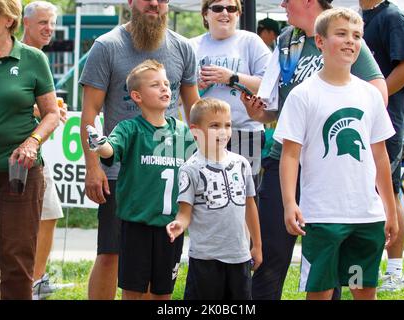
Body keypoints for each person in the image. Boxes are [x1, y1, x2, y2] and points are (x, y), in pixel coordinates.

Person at [241, 0, 388, 300]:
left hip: (328, 164)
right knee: (270, 250)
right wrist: (260, 113)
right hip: (286, 155)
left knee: (330, 262)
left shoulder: (344, 34)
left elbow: (377, 94)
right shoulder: (286, 40)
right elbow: (278, 109)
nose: (282, 3)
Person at [79, 0, 199, 300]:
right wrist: (92, 167)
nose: (155, 4)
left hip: (167, 173)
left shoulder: (183, 47)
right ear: (131, 2)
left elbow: (194, 110)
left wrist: (205, 159)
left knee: (157, 262)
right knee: (110, 252)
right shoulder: (106, 46)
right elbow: (90, 113)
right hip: (121, 172)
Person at [0, 0, 59, 299]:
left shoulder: (32, 58)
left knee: (17, 261)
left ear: (8, 18)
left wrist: (32, 141)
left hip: (20, 173)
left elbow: (51, 113)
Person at [166, 98, 262, 300]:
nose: (223, 131)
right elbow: (185, 213)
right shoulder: (190, 169)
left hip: (239, 257)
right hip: (205, 259)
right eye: (214, 126)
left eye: (227, 125)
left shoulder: (242, 164)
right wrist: (179, 224)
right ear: (195, 130)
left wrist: (257, 245)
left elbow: (250, 206)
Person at [359, 0, 404, 292]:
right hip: (356, 120)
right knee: (362, 190)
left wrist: (375, 95)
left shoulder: (393, 17)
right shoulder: (358, 17)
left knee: (387, 189)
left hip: (386, 119)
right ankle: (360, 269)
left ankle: (395, 271)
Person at [22, 0, 72, 300]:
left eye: (52, 24)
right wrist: (44, 113)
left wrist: (53, 112)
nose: (49, 29)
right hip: (13, 152)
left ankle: (36, 280)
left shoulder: (39, 56)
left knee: (50, 212)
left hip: (37, 151)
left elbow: (45, 108)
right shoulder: (13, 54)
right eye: (43, 22)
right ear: (24, 23)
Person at [190, 0, 271, 187]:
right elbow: (178, 91)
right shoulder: (192, 45)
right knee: (206, 192)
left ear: (238, 14)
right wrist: (197, 85)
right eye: (218, 8)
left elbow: (268, 84)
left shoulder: (250, 41)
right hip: (203, 134)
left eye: (231, 8)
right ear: (205, 14)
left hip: (245, 132)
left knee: (244, 194)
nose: (225, 13)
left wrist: (232, 77)